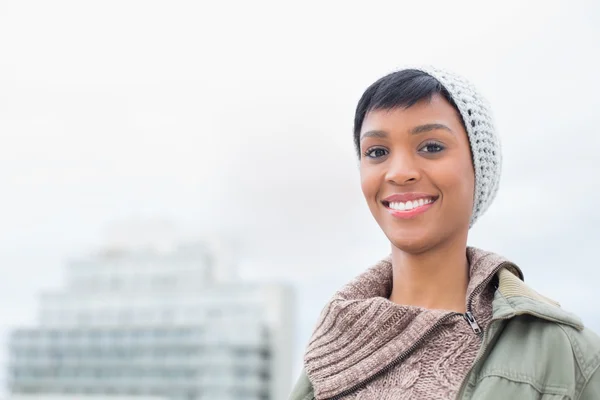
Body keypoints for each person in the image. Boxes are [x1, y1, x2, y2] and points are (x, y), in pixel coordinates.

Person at [289, 67, 600, 400]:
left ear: (479, 166)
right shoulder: (330, 351)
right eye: (377, 152)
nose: (400, 173)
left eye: (431, 146)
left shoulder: (567, 355)